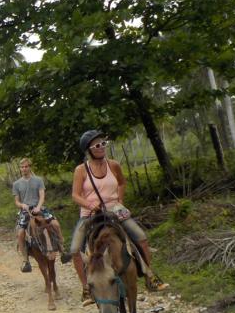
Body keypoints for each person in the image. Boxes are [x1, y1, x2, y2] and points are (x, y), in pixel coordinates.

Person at [70, 130, 169, 303]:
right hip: (90, 214)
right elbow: (75, 195)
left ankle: (149, 276)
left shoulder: (114, 165)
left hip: (114, 210)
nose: (102, 147)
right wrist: (90, 205)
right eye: (97, 145)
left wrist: (120, 201)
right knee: (74, 250)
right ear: (89, 150)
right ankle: (86, 288)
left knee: (141, 238)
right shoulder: (81, 170)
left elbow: (122, 183)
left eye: (103, 143)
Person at [12, 157, 65, 273]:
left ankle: (62, 249)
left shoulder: (38, 180)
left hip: (39, 208)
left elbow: (42, 196)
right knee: (20, 233)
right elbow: (16, 201)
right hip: (25, 211)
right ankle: (25, 260)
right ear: (20, 169)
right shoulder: (16, 184)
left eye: (26, 166)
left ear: (30, 167)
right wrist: (22, 205)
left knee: (55, 224)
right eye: (22, 167)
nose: (24, 169)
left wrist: (38, 206)